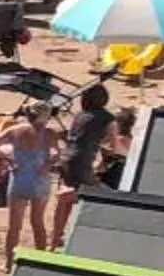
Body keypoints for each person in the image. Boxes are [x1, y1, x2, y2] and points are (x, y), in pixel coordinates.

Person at [51, 83, 121, 247]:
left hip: (66, 158)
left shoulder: (80, 116)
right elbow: (115, 147)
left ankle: (56, 238)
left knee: (66, 202)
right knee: (99, 195)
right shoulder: (108, 119)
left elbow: (80, 139)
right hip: (81, 162)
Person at [0, 103, 58, 261]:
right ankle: (41, 260)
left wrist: (7, 159)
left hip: (20, 178)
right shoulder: (50, 133)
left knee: (14, 226)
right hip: (40, 180)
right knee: (38, 222)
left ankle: (9, 262)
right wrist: (47, 165)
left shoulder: (15, 130)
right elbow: (56, 154)